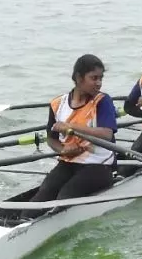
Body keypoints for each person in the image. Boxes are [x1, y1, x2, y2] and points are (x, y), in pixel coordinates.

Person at [29, 54, 119, 206]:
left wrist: (71, 126)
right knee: (43, 195)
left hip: (99, 165)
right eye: (94, 78)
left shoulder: (103, 101)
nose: (99, 83)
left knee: (65, 197)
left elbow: (107, 135)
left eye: (100, 78)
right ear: (78, 77)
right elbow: (52, 139)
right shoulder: (57, 103)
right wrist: (63, 149)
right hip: (69, 163)